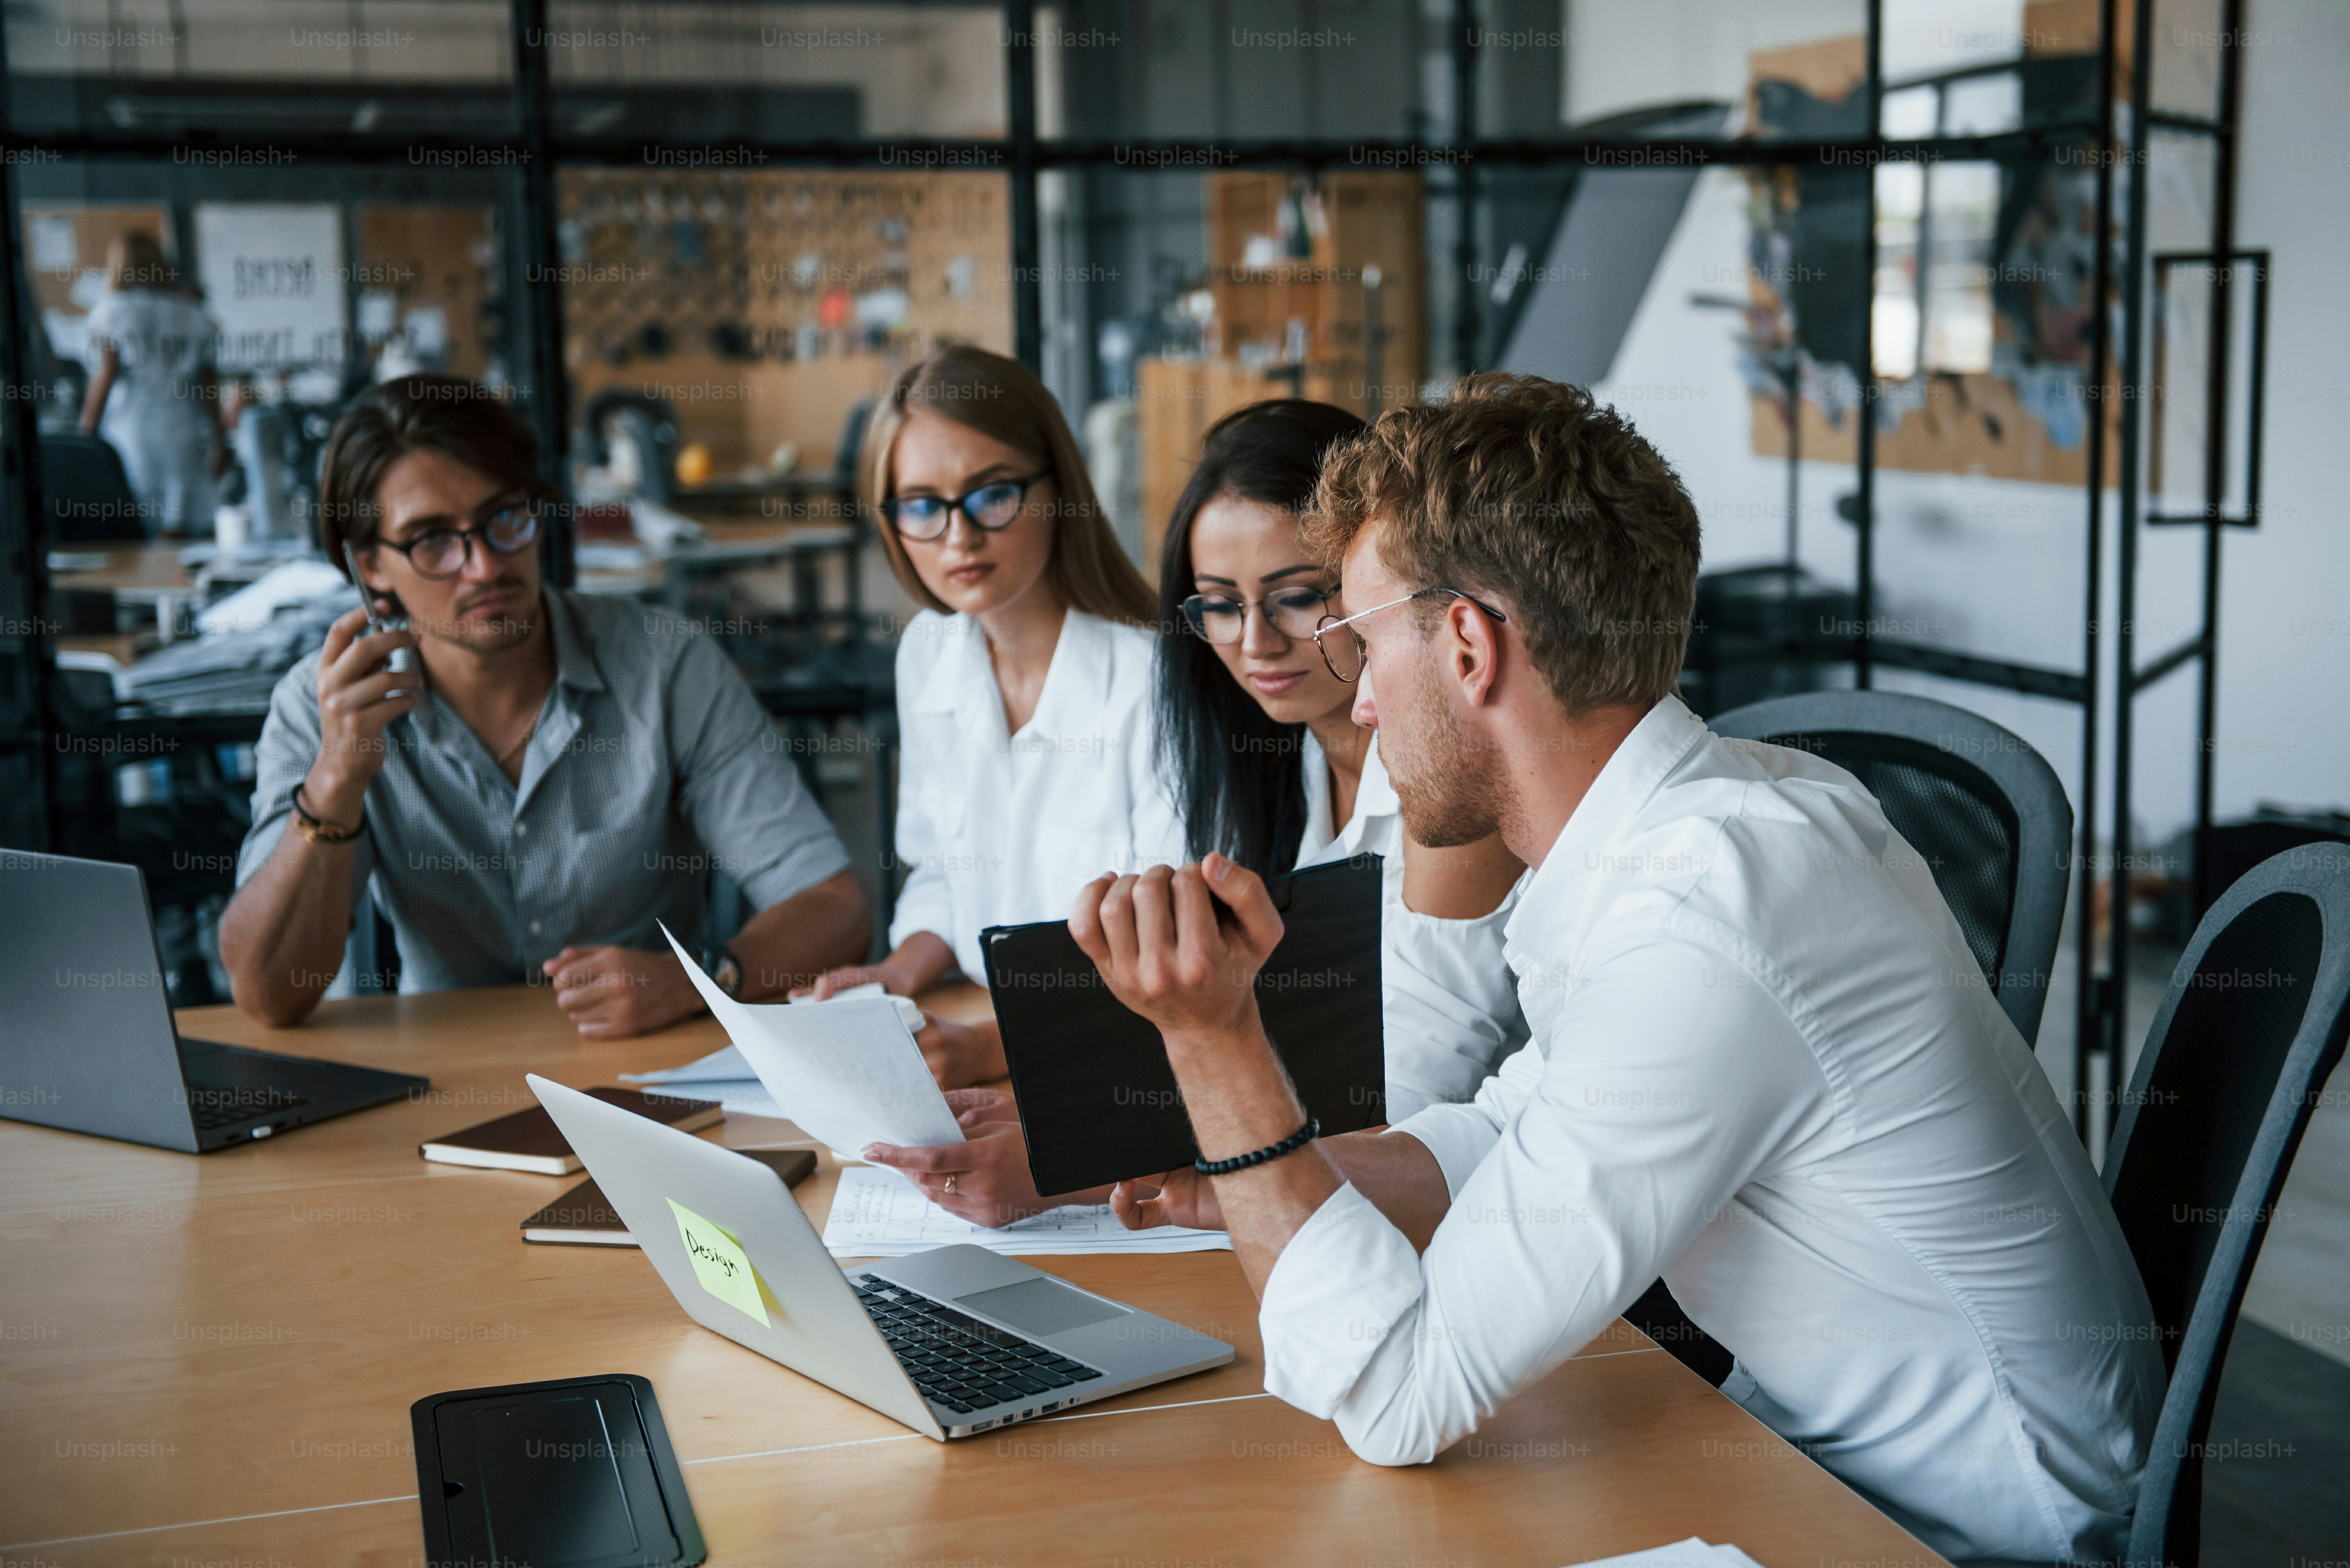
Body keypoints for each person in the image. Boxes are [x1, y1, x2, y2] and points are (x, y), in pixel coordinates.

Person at [1072, 376, 2163, 1566]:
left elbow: (1397, 1397)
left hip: (1958, 1538)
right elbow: (1501, 1134)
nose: (1367, 703)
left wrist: (1215, 1046)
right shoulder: (1724, 816)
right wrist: (1241, 1178)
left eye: (1367, 641)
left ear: (1472, 646)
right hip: (1801, 1466)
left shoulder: (1704, 920)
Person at [861, 401, 1527, 1225]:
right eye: (1218, 603)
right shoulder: (1283, 760)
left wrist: (1076, 1162)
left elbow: (1396, 1096)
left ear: (1369, 581)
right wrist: (1075, 1121)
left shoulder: (1446, 771)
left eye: (1295, 596)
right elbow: (1273, 1038)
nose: (1254, 642)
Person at [220, 375, 870, 1035]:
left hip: (651, 1064)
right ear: (372, 568)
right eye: (433, 540)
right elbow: (268, 994)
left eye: (504, 517)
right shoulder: (323, 706)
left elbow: (834, 905)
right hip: (441, 1078)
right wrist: (334, 782)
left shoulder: (664, 665)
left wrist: (698, 978)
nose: (483, 568)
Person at [795, 345, 1179, 1087]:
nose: (958, 537)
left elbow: (1172, 949)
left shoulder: (1152, 678)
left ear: (1056, 486)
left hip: (1118, 1060)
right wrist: (895, 973)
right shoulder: (928, 652)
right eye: (920, 506)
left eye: (991, 494)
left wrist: (990, 1050)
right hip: (972, 1018)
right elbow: (941, 865)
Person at [77, 232, 225, 539]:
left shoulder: (114, 311)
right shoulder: (194, 314)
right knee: (180, 525)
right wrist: (220, 438)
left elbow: (104, 379)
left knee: (139, 526)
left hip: (133, 431)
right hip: (183, 428)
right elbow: (209, 386)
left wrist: (83, 436)